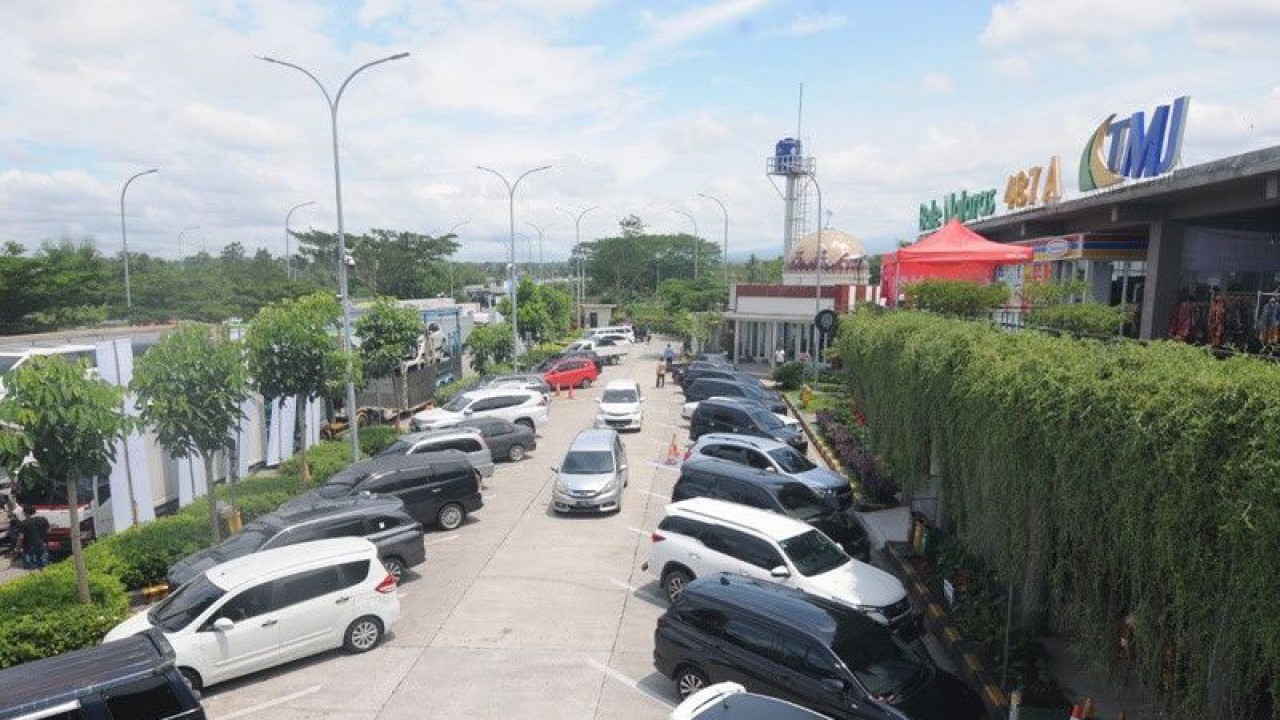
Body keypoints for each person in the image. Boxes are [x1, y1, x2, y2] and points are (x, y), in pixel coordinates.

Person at [19, 505, 50, 570]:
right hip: (41, 544)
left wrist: (17, 547)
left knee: (30, 567)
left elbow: (21, 537)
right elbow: (49, 531)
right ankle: (43, 577)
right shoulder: (43, 519)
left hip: (28, 547)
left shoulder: (24, 523)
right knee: (42, 565)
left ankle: (33, 578)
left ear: (25, 513)